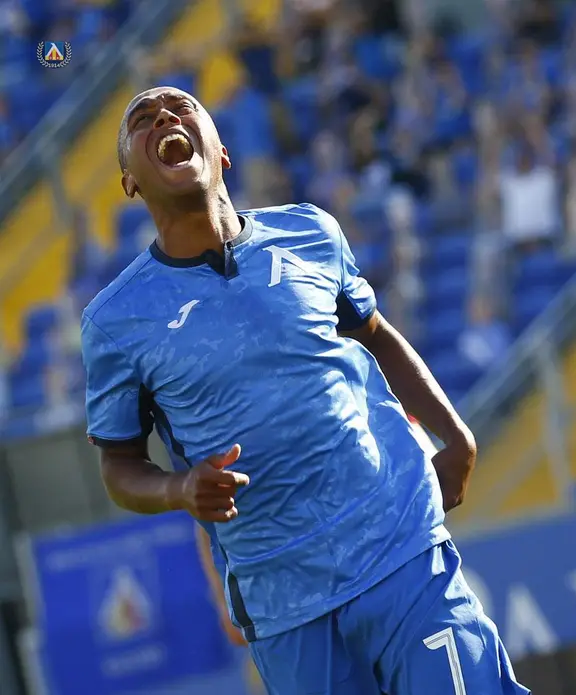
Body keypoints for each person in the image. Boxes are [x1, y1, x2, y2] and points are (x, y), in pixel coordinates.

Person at [82, 86, 528, 695]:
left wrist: (455, 433)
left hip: (398, 544)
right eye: (141, 120)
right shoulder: (115, 321)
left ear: (222, 150)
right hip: (283, 599)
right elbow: (118, 465)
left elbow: (377, 336)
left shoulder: (311, 232)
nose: (163, 116)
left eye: (182, 108)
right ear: (129, 181)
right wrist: (179, 488)